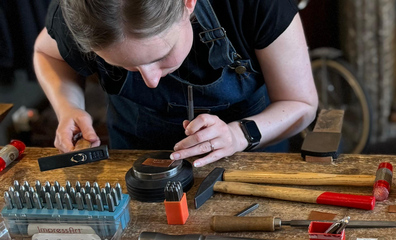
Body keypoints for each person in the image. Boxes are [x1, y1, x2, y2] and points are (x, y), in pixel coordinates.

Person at [34, 0, 318, 167]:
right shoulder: (82, 15)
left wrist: (238, 135)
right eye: (125, 66)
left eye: (162, 56)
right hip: (136, 154)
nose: (151, 80)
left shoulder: (252, 4)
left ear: (188, 3)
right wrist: (68, 107)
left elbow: (301, 103)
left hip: (247, 159)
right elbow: (47, 53)